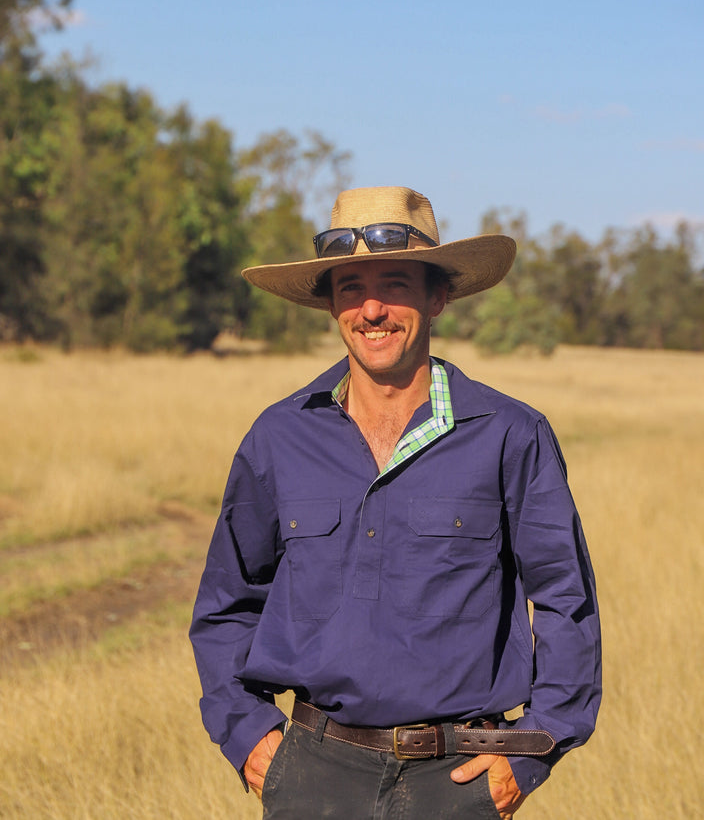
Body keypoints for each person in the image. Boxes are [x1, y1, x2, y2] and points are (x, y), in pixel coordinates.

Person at [190, 186, 601, 819]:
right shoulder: (279, 436)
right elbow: (225, 606)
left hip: (459, 783)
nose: (372, 308)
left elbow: (566, 602)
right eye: (350, 286)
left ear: (438, 297)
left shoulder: (510, 434)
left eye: (396, 284)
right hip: (311, 776)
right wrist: (249, 736)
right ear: (331, 304)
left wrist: (528, 753)